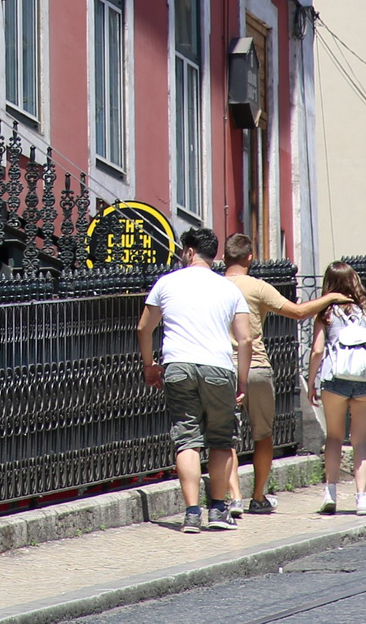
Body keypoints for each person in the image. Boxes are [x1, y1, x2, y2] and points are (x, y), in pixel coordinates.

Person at [222, 233, 346, 515]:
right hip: (256, 367)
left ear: (225, 257)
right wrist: (330, 297)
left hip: (224, 368)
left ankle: (234, 497)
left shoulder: (213, 287)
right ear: (250, 258)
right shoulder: (258, 287)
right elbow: (298, 312)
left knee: (224, 437)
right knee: (263, 435)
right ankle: (258, 496)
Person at [140, 226, 254, 532]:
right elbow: (245, 339)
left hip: (177, 364)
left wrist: (150, 365)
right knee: (220, 440)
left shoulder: (166, 283)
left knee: (187, 440)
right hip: (218, 367)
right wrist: (242, 382)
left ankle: (191, 514)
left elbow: (144, 328)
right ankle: (217, 509)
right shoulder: (229, 289)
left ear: (189, 252)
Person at [307, 261, 366, 515]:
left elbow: (317, 351)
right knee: (360, 440)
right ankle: (362, 499)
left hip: (335, 380)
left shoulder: (325, 312)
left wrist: (311, 382)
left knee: (334, 437)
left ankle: (330, 493)